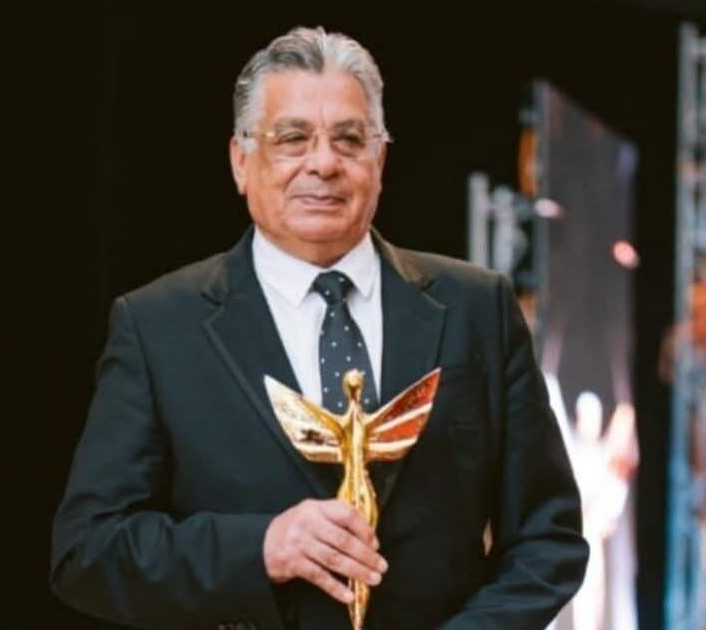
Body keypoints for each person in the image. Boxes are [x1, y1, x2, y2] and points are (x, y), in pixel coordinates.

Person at [51, 25, 588, 630]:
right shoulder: (158, 327)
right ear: (241, 161)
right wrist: (261, 549)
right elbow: (89, 553)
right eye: (292, 139)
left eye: (349, 140)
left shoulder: (478, 309)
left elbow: (548, 540)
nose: (324, 163)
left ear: (379, 161)